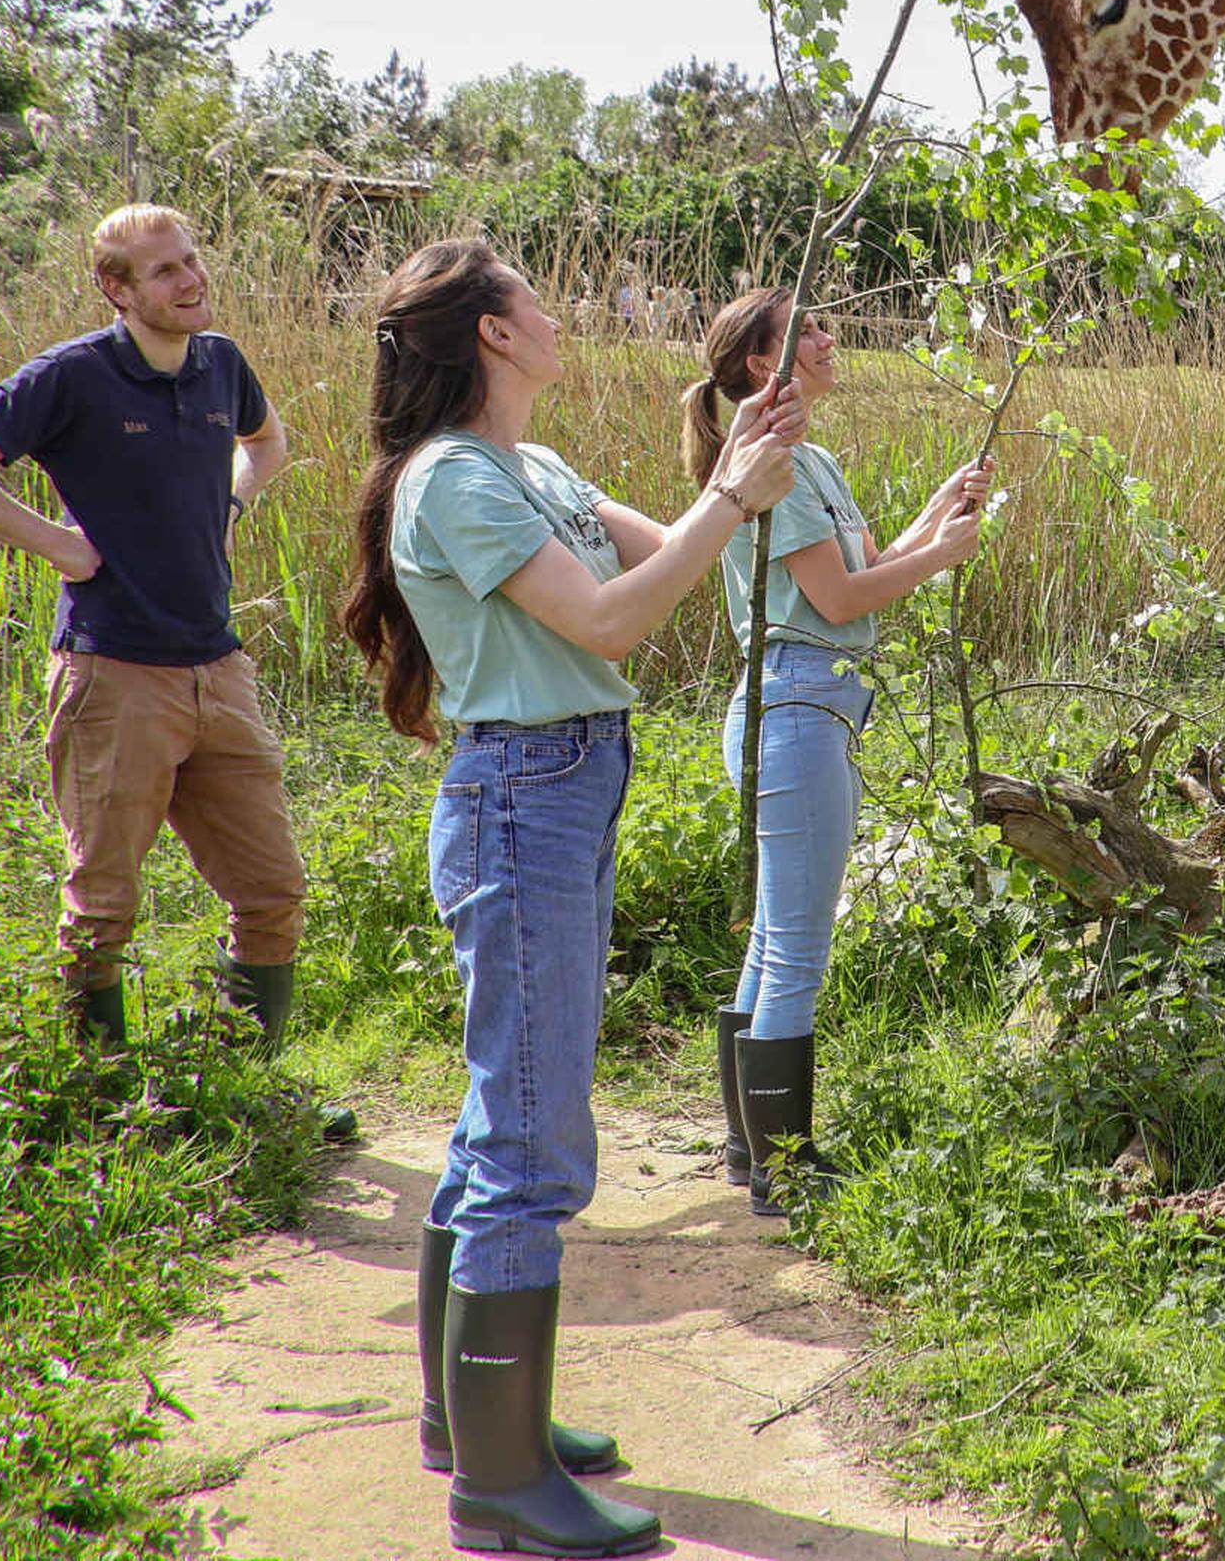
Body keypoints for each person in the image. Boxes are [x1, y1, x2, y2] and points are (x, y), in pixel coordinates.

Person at [337, 237, 797, 1560]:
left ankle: (475, 1424)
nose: (556, 311)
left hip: (568, 787)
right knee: (533, 1144)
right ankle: (498, 1488)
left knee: (504, 1123)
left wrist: (743, 467)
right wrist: (726, 504)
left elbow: (678, 552)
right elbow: (610, 621)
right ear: (491, 334)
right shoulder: (448, 484)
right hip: (521, 800)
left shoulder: (531, 467)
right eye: (532, 297)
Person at [0, 203, 328, 1094]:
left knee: (273, 894)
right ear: (116, 290)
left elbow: (269, 443)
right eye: (164, 271)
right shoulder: (74, 376)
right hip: (113, 673)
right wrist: (57, 544)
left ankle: (239, 1095)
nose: (190, 280)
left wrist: (234, 505)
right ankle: (97, 1105)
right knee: (102, 910)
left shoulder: (221, 365)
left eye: (193, 260)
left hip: (218, 668)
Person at [680, 290, 988, 1215]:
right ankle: (784, 1171)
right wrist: (943, 557)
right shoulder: (769, 464)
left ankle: (750, 1152)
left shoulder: (809, 461)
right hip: (799, 714)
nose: (827, 338)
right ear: (757, 368)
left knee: (775, 940)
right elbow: (845, 607)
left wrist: (937, 514)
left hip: (809, 712)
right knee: (797, 949)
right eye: (805, 331)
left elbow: (855, 576)